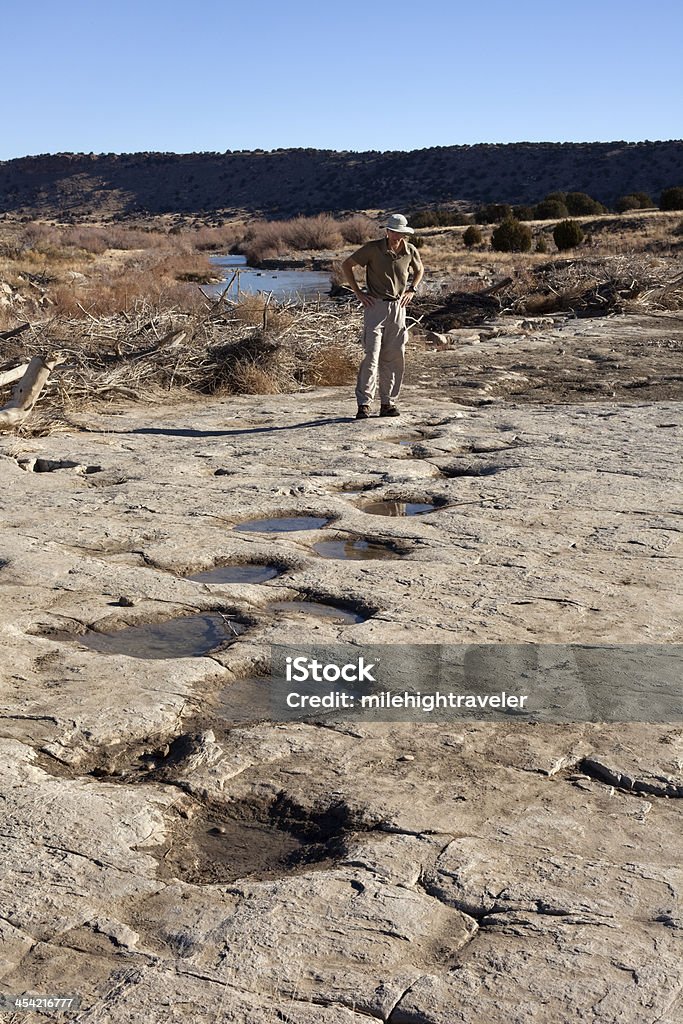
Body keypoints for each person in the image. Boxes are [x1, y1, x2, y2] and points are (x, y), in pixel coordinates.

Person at [342, 213, 424, 419]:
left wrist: (412, 289)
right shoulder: (372, 248)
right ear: (387, 231)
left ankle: (388, 404)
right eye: (394, 232)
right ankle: (364, 405)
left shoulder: (409, 250)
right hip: (374, 307)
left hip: (398, 308)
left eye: (401, 233)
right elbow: (346, 265)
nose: (397, 236)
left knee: (394, 356)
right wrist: (358, 293)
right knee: (371, 356)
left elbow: (420, 269)